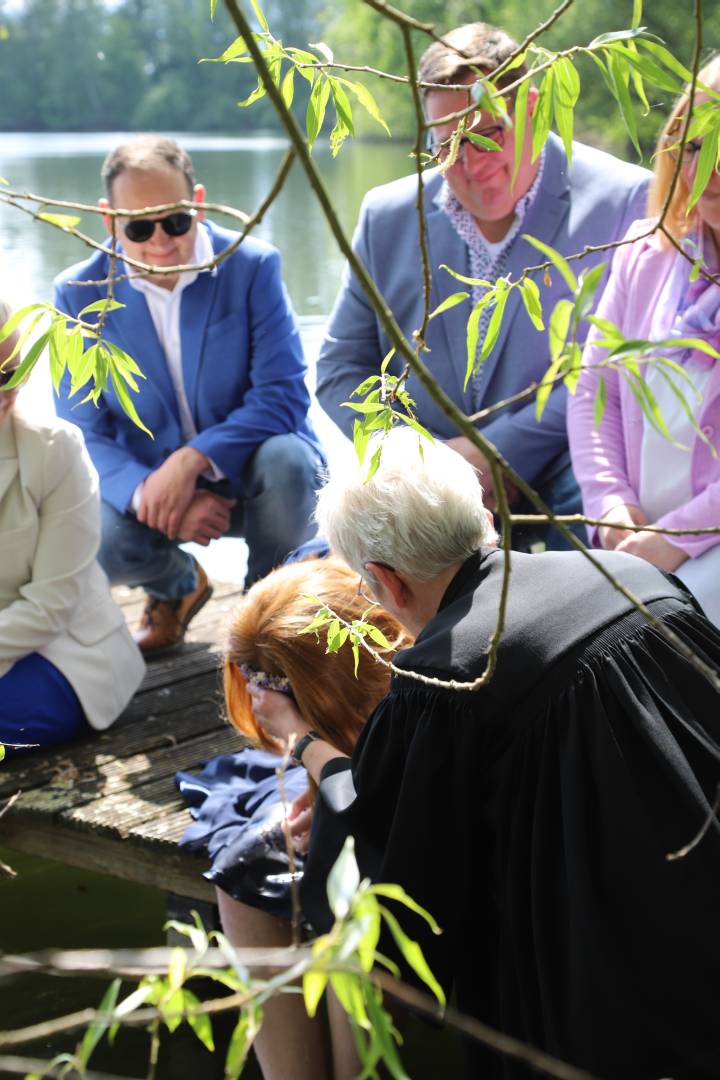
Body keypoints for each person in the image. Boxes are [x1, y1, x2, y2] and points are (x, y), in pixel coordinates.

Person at [248, 429, 720, 1079]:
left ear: (384, 580)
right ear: (488, 521)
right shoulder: (636, 578)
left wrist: (308, 746)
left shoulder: (449, 674)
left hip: (607, 996)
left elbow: (386, 872)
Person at [316, 21, 650, 550]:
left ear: (534, 110)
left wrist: (495, 453)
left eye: (489, 133)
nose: (471, 164)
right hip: (427, 485)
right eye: (448, 143)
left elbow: (616, 369)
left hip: (569, 465)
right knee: (317, 578)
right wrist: (426, 464)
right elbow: (340, 372)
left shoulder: (625, 201)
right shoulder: (387, 215)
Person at [54, 135, 324, 656]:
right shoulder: (79, 293)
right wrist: (150, 490)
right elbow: (81, 427)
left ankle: (266, 621)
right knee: (85, 531)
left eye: (176, 221)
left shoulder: (252, 265)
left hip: (255, 475)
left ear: (198, 203)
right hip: (152, 490)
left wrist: (192, 462)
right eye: (138, 226)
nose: (160, 242)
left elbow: (284, 395)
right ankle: (178, 585)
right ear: (109, 221)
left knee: (291, 458)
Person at [177, 556, 408, 1080]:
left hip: (403, 825)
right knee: (245, 867)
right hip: (336, 767)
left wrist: (305, 743)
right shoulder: (305, 600)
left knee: (356, 911)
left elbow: (371, 809)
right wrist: (308, 763)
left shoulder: (419, 682)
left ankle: (357, 1073)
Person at [568, 56, 720, 627]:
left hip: (707, 544)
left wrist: (675, 539)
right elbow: (594, 391)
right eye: (695, 146)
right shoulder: (646, 249)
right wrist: (613, 510)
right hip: (636, 540)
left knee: (654, 634)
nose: (707, 168)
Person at [0, 299, 145, 752]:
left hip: (63, 651)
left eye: (12, 373)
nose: (6, 392)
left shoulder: (55, 448)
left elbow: (51, 604)